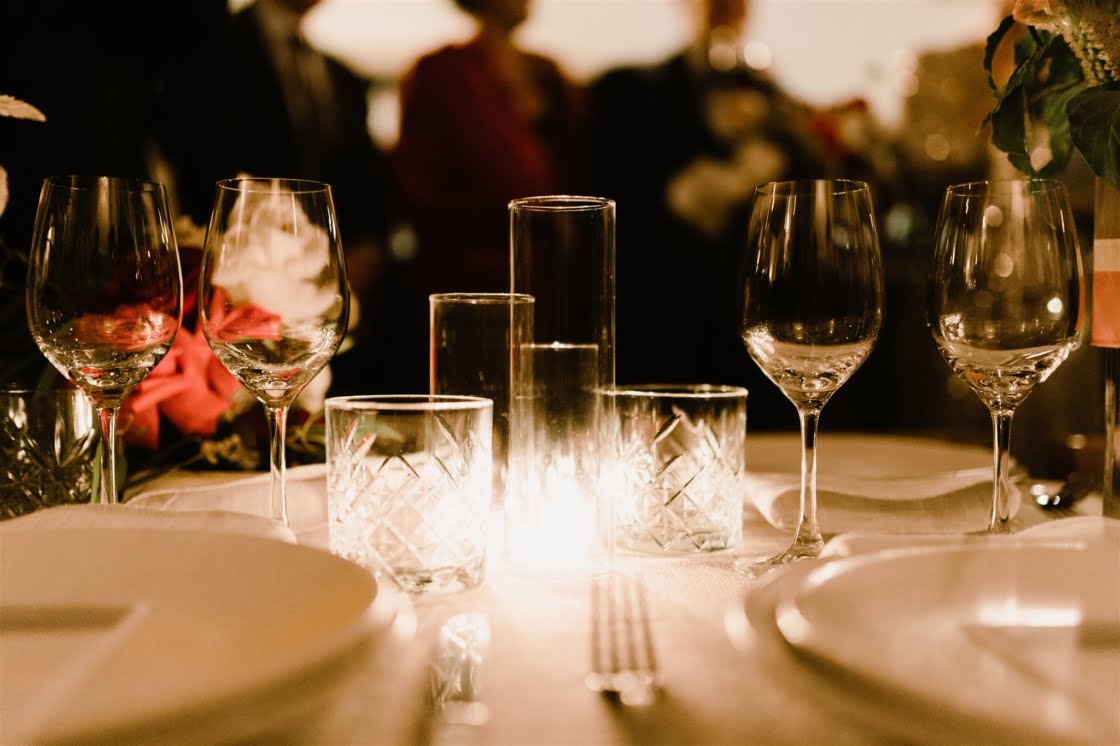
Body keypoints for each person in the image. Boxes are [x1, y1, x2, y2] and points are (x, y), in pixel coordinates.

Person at [584, 0, 833, 429]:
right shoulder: (625, 91)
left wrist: (770, 153)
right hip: (654, 339)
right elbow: (608, 208)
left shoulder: (779, 106)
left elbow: (815, 200)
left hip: (758, 350)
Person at [157, 0, 397, 396]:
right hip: (232, 309)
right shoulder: (206, 54)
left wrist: (364, 255)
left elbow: (368, 192)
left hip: (338, 318)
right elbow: (196, 177)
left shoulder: (342, 78)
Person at [389, 0, 585, 390]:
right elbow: (420, 184)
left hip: (556, 283)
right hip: (473, 286)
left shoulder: (548, 73)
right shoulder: (444, 73)